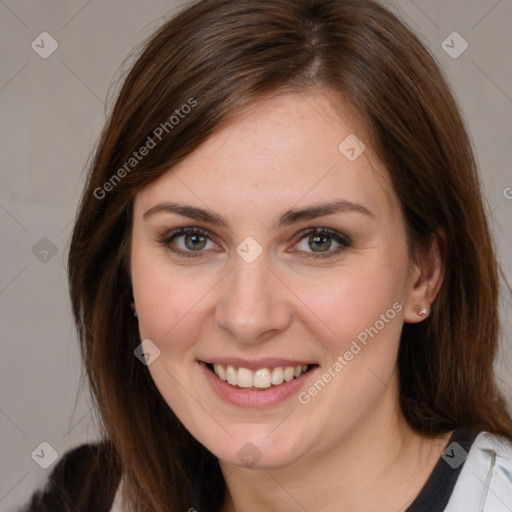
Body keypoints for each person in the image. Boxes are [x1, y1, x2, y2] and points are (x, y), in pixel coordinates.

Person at [20, 0, 512, 511]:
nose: (247, 317)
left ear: (423, 275)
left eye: (319, 240)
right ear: (125, 273)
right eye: (192, 239)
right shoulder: (85, 496)